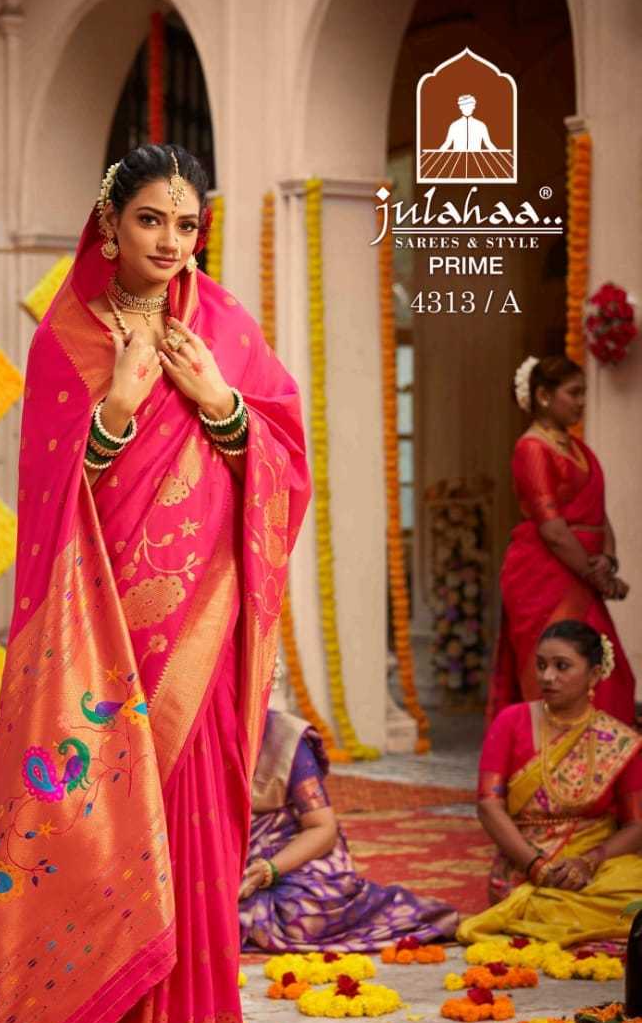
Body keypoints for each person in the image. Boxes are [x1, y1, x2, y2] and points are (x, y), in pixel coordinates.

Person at [0, 144, 309, 1023]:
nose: (169, 241)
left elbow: (283, 461)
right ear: (108, 224)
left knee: (196, 870)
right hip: (108, 658)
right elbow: (50, 505)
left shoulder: (222, 325)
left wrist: (221, 402)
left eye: (186, 224)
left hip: (202, 646)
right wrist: (120, 408)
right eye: (149, 220)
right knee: (123, 861)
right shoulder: (67, 338)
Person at [459, 620, 642, 948]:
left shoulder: (618, 739)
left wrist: (588, 861)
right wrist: (537, 866)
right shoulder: (511, 722)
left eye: (562, 666)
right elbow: (488, 805)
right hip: (523, 866)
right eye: (541, 665)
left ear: (594, 674)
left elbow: (636, 825)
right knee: (543, 905)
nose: (547, 676)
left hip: (594, 868)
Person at [487, 355, 635, 724]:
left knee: (609, 674)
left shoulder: (578, 449)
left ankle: (600, 759)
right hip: (544, 577)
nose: (582, 401)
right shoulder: (532, 449)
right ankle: (551, 758)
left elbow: (599, 516)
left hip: (580, 575)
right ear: (544, 395)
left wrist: (608, 560)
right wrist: (597, 577)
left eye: (584, 393)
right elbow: (552, 530)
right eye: (574, 393)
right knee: (560, 675)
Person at [238, 710, 458, 950]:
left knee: (302, 917)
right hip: (227, 854)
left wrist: (268, 869)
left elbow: (322, 827)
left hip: (286, 855)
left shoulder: (285, 738)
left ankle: (408, 914)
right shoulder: (206, 735)